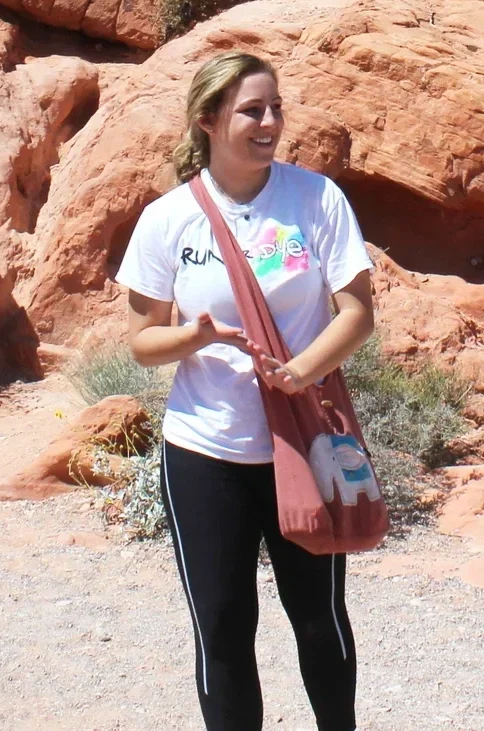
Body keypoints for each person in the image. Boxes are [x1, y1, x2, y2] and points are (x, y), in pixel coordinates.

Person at [116, 51, 374, 731]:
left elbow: (357, 312)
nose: (269, 122)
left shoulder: (315, 199)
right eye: (251, 110)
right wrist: (193, 335)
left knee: (318, 620)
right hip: (204, 450)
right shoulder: (168, 219)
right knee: (224, 631)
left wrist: (303, 371)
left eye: (275, 107)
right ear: (208, 120)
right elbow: (143, 341)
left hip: (302, 440)